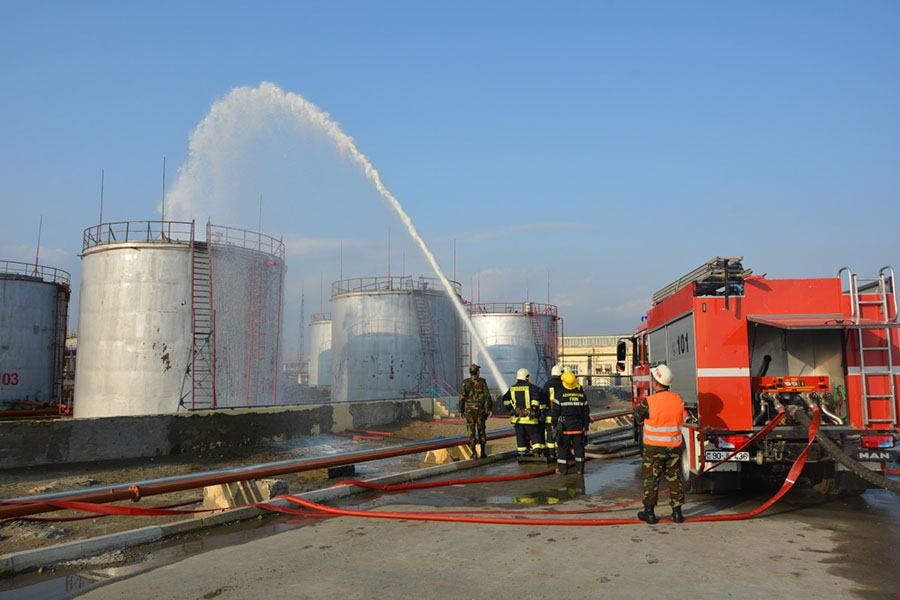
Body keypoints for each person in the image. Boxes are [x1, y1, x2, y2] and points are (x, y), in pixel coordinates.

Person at [634, 364, 686, 524]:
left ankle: (649, 513)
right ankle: (677, 513)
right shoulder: (677, 399)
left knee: (651, 479)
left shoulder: (649, 402)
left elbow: (638, 419)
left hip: (653, 448)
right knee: (674, 478)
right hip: (673, 446)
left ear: (655, 383)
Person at [500, 368, 546, 461]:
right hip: (530, 418)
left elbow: (505, 399)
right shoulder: (532, 387)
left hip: (518, 419)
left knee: (520, 436)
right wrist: (534, 410)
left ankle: (522, 454)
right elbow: (536, 399)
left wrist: (511, 409)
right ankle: (537, 452)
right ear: (527, 377)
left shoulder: (512, 388)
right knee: (535, 435)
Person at [550, 370, 590, 475]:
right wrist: (586, 425)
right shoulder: (581, 395)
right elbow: (586, 413)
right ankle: (580, 470)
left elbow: (555, 412)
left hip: (564, 428)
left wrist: (553, 424)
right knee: (579, 450)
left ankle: (562, 470)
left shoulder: (559, 395)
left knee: (562, 449)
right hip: (578, 427)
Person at [458, 363, 492, 458]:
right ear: (477, 372)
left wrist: (461, 411)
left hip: (470, 410)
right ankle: (483, 452)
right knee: (481, 430)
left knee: (471, 431)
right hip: (480, 410)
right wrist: (489, 409)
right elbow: (487, 396)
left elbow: (462, 398)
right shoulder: (482, 382)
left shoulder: (465, 382)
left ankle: (474, 453)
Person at [540, 364, 563, 460]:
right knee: (562, 434)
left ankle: (551, 453)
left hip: (550, 414)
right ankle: (562, 453)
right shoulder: (564, 384)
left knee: (550, 434)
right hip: (562, 415)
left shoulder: (547, 384)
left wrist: (543, 411)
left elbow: (542, 399)